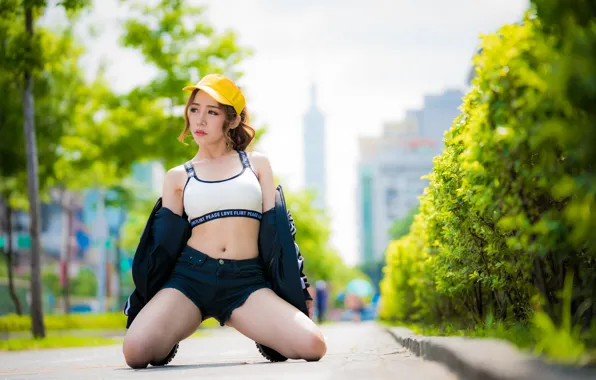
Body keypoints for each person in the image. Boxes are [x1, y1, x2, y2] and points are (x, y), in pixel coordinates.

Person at [122, 74, 327, 369]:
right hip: (191, 278)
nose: (199, 120)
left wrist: (301, 282)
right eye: (194, 109)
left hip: (246, 282)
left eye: (211, 112)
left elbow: (280, 230)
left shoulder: (256, 165)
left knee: (313, 346)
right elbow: (162, 246)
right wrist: (147, 299)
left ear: (231, 120)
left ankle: (262, 332)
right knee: (136, 353)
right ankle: (172, 330)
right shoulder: (178, 176)